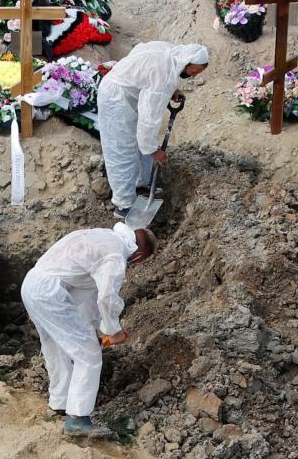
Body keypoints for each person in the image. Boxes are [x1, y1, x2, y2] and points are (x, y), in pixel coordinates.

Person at [21, 223, 157, 438]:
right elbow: (107, 297)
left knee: (55, 346)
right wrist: (113, 331)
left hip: (32, 284)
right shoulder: (116, 255)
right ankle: (77, 419)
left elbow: (89, 295)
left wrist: (93, 328)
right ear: (139, 255)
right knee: (89, 355)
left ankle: (60, 401)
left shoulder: (101, 236)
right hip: (51, 293)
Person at [98, 41, 209, 218]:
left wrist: (173, 88)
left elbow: (141, 52)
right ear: (185, 63)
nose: (192, 76)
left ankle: (141, 184)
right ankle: (123, 204)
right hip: (115, 98)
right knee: (122, 149)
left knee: (141, 141)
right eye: (193, 72)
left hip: (129, 92)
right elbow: (149, 120)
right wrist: (153, 150)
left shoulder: (169, 53)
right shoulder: (164, 77)